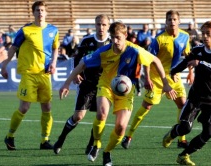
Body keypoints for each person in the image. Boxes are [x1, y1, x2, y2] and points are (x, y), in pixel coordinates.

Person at [58, 21, 177, 166]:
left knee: (120, 128)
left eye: (118, 38)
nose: (115, 41)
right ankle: (96, 144)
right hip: (106, 85)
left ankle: (107, 152)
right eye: (113, 37)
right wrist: (66, 83)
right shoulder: (104, 51)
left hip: (126, 92)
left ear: (125, 35)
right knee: (101, 113)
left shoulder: (135, 50)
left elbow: (156, 61)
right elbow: (82, 63)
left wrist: (165, 84)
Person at [121, 10, 194, 150]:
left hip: (174, 76)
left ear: (179, 21)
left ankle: (181, 140)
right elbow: (147, 60)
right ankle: (129, 135)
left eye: (174, 19)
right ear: (165, 22)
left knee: (183, 105)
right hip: (156, 78)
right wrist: (147, 78)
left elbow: (188, 56)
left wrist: (191, 72)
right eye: (169, 19)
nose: (172, 22)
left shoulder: (185, 36)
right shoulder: (159, 39)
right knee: (147, 107)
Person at [162, 21, 211, 165]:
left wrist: (201, 64)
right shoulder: (198, 50)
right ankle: (173, 134)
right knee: (185, 127)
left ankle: (184, 155)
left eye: (208, 33)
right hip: (195, 98)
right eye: (203, 33)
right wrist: (174, 71)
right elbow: (185, 62)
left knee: (208, 133)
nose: (204, 36)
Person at [1, 1, 59, 150]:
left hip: (45, 75)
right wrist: (4, 65)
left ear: (46, 13)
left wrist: (53, 63)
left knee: (47, 107)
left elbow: (55, 49)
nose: (40, 13)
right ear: (33, 13)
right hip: (29, 74)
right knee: (25, 107)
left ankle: (44, 140)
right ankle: (10, 136)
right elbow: (13, 48)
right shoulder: (25, 30)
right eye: (37, 10)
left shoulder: (53, 30)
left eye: (42, 10)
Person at [53, 14, 111, 155]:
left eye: (104, 25)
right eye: (98, 24)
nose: (101, 27)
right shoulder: (86, 41)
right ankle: (61, 139)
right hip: (87, 84)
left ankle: (91, 144)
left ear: (108, 26)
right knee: (78, 116)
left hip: (104, 85)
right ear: (95, 25)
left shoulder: (112, 43)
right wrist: (76, 74)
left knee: (100, 116)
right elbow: (77, 59)